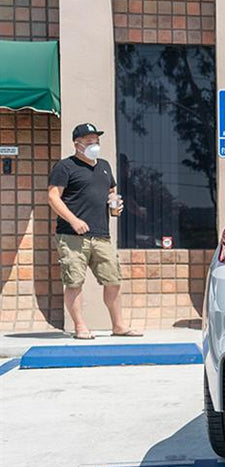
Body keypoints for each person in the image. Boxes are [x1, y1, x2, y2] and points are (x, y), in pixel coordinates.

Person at [47, 123, 141, 340]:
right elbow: (53, 196)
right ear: (77, 144)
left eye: (96, 140)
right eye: (89, 141)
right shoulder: (65, 167)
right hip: (72, 236)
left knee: (113, 279)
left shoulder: (105, 166)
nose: (94, 145)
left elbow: (112, 192)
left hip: (101, 235)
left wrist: (115, 206)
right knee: (74, 281)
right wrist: (73, 220)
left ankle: (119, 326)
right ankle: (80, 327)